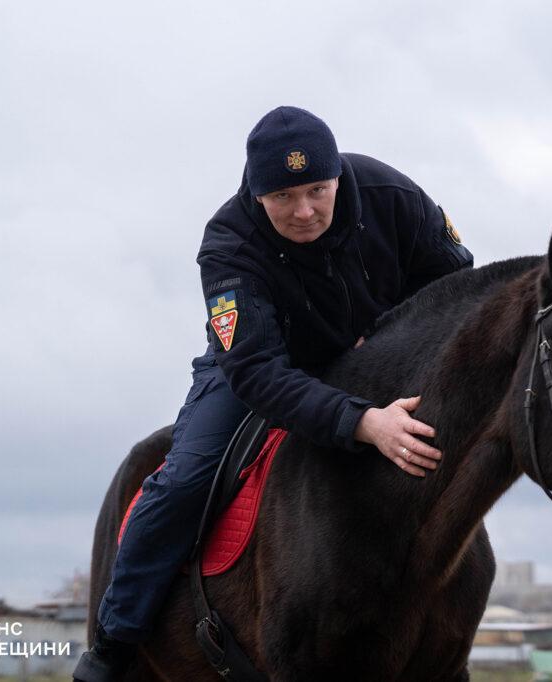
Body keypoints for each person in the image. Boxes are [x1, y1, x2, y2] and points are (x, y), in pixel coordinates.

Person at [73, 106, 474, 681]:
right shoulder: (226, 242)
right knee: (186, 475)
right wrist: (361, 422)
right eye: (284, 197)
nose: (305, 210)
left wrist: (392, 339)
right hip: (256, 363)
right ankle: (115, 641)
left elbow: (457, 288)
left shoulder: (395, 194)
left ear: (338, 176)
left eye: (317, 190)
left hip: (372, 347)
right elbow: (256, 370)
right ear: (256, 193)